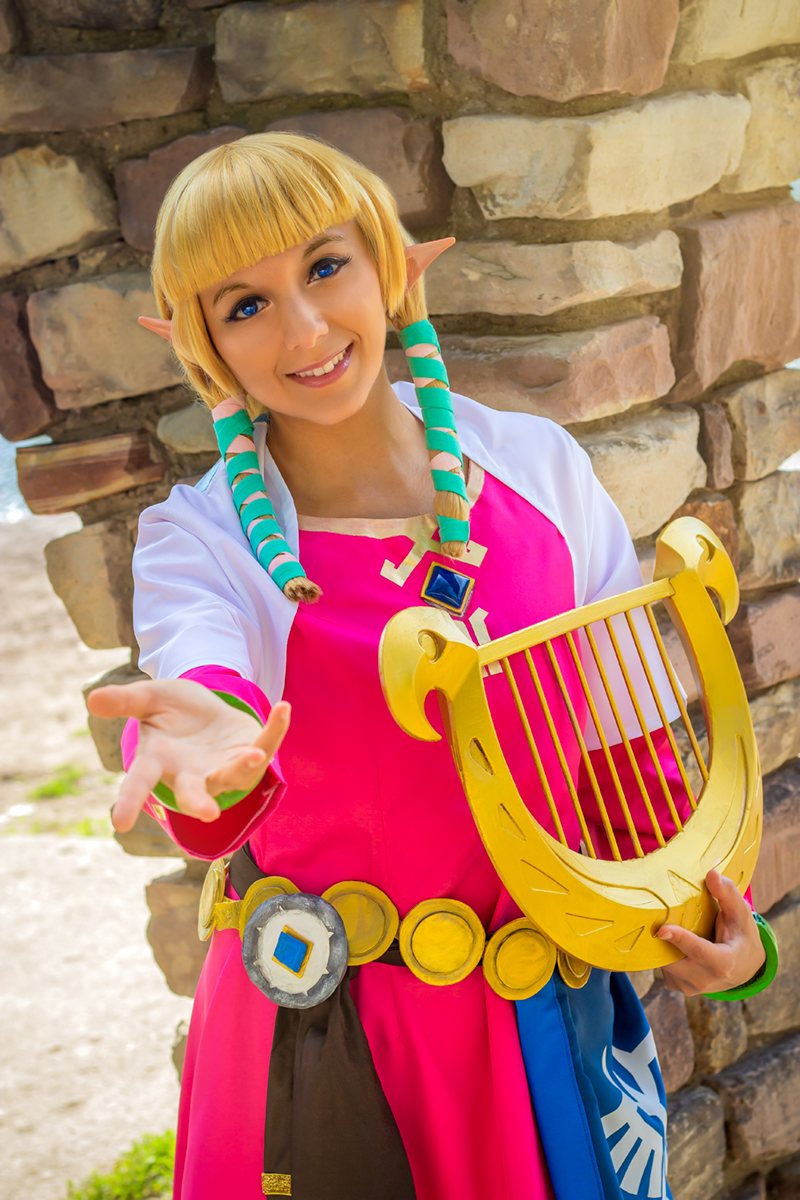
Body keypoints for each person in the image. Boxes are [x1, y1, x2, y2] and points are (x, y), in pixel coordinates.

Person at [88, 133, 775, 1200]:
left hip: (551, 1024)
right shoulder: (203, 539)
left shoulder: (541, 469)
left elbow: (623, 751)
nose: (304, 329)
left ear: (394, 267)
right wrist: (209, 745)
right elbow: (204, 681)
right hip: (334, 1044)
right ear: (200, 343)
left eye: (326, 267)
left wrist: (719, 925)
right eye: (245, 304)